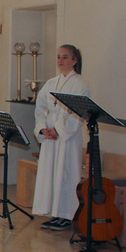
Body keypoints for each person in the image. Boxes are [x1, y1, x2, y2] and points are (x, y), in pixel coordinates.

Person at [32, 45, 89, 231]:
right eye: (58, 57)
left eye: (65, 57)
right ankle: (54, 213)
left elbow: (78, 114)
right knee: (51, 174)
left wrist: (58, 130)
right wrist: (43, 129)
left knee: (65, 174)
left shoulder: (80, 84)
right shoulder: (51, 83)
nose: (60, 61)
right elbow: (40, 109)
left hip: (67, 138)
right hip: (51, 137)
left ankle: (66, 215)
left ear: (74, 60)